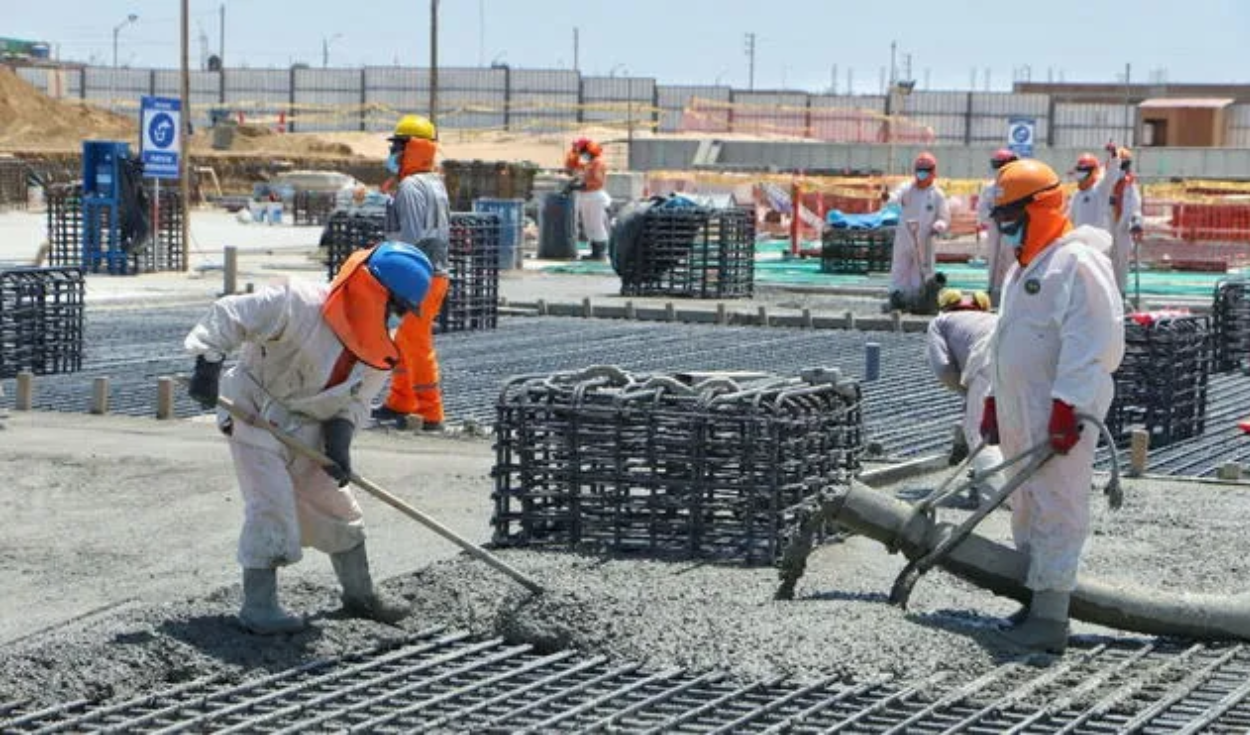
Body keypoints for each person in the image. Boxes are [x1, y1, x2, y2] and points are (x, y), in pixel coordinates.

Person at [185, 241, 434, 635]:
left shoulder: (378, 354)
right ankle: (259, 606)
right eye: (395, 310)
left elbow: (357, 401)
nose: (396, 322)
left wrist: (340, 437)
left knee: (338, 508)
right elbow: (229, 313)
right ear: (373, 293)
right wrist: (207, 364)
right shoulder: (297, 303)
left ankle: (360, 595)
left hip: (309, 426)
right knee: (272, 503)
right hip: (255, 413)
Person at [980, 159, 1125, 654]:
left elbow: (1094, 345)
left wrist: (1069, 408)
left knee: (1058, 506)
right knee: (1026, 504)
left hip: (1059, 413)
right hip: (1024, 409)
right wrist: (994, 402)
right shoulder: (1028, 268)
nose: (1005, 228)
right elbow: (1005, 342)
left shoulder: (1077, 264)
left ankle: (1051, 618)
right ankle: (1034, 596)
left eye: (1010, 218)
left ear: (1039, 208)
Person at [373, 114, 452, 431]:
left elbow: (412, 237)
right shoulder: (434, 183)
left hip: (418, 275)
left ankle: (432, 413)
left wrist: (400, 281)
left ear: (413, 148)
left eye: (398, 146)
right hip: (434, 274)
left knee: (416, 342)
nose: (393, 153)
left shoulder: (410, 186)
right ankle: (400, 401)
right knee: (404, 341)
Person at [926, 288, 1002, 506]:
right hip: (1019, 360)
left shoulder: (941, 321)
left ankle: (995, 496)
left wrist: (968, 392)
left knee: (979, 432)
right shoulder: (993, 318)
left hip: (986, 363)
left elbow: (943, 368)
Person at [888, 152, 951, 312]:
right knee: (900, 267)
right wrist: (889, 197)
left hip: (925, 240)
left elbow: (944, 217)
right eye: (919, 169)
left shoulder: (937, 195)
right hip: (904, 236)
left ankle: (918, 301)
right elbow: (895, 196)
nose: (922, 173)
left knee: (921, 272)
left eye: (926, 170)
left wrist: (938, 226)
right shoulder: (908, 188)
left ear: (933, 172)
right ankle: (898, 297)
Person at [976, 149, 1020, 304]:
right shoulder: (989, 188)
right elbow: (981, 210)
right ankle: (993, 291)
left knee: (1011, 261)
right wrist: (994, 215)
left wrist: (1010, 217)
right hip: (995, 230)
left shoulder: (1019, 186)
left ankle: (1012, 295)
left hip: (1013, 229)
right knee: (994, 259)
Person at [1104, 145, 1144, 297]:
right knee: (1106, 261)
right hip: (1107, 228)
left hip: (1123, 230)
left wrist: (1137, 222)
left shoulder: (1130, 185)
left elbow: (1136, 206)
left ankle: (1120, 294)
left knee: (1122, 262)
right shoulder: (1104, 183)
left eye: (1125, 165)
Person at [565, 137, 610, 261]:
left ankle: (600, 253)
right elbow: (570, 167)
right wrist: (573, 153)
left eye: (582, 150)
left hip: (595, 196)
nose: (581, 153)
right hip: (586, 196)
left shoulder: (597, 162)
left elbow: (597, 181)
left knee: (596, 224)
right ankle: (595, 252)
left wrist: (579, 186)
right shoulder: (588, 163)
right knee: (588, 225)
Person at [1066, 152, 1114, 232]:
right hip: (1080, 239)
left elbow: (1111, 176)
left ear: (1094, 171)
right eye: (1079, 169)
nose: (1081, 173)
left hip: (1097, 241)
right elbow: (1069, 218)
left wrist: (1114, 158)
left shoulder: (1100, 189)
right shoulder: (1076, 195)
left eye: (1084, 170)